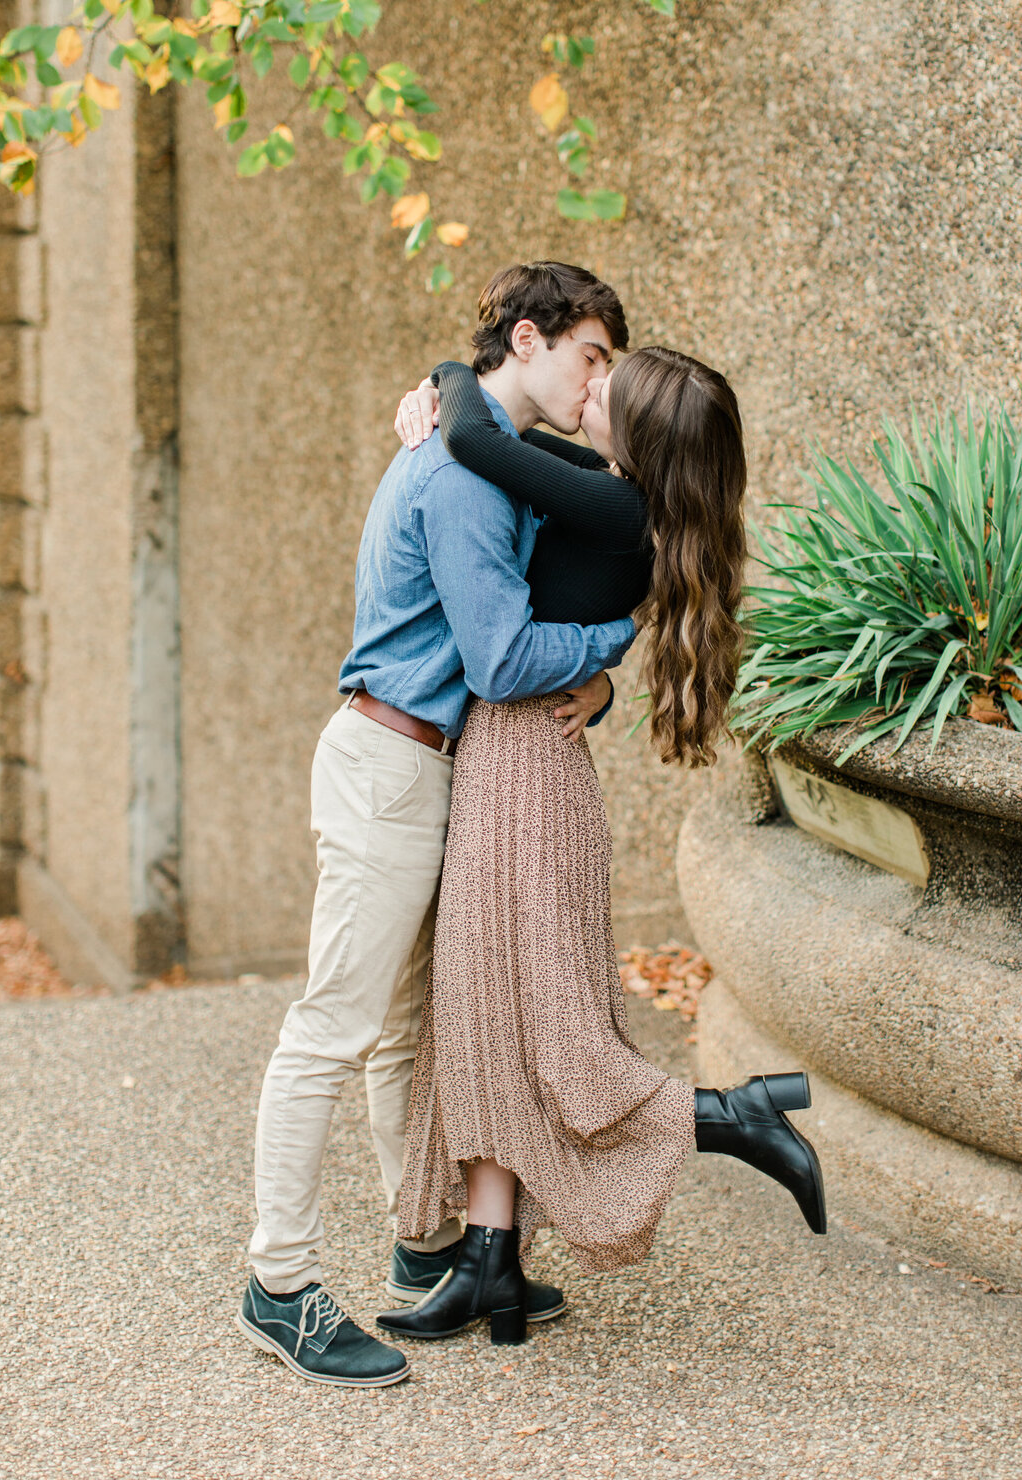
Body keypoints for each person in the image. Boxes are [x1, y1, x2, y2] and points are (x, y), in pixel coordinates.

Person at [236, 261, 637, 1387]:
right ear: (529, 337)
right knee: (334, 1027)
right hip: (391, 766)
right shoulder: (465, 478)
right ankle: (280, 1285)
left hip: (415, 764)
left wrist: (599, 685)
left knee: (407, 1031)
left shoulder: (476, 447)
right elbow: (505, 657)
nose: (596, 380)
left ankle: (425, 1251)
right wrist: (604, 654)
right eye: (591, 355)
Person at [375, 345, 826, 1348]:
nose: (587, 389)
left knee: (548, 1037)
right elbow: (505, 442)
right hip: (521, 760)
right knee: (485, 1016)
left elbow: (470, 433)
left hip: (526, 776)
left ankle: (738, 1116)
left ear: (641, 435)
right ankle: (493, 1267)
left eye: (604, 391)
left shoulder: (619, 511)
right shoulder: (612, 492)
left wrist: (452, 368)